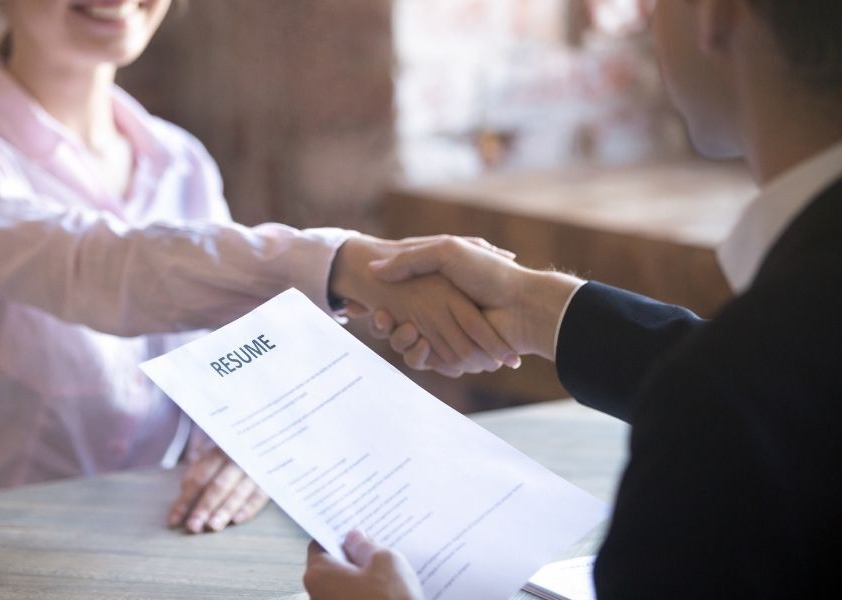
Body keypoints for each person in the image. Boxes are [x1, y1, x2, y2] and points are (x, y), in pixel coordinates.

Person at [0, 0, 518, 535]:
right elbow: (88, 268)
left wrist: (248, 444)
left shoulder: (181, 162)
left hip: (147, 535)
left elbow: (238, 355)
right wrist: (343, 263)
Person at [304, 0, 842, 597]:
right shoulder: (781, 351)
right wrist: (536, 307)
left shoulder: (725, 408)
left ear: (717, 14)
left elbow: (749, 395)